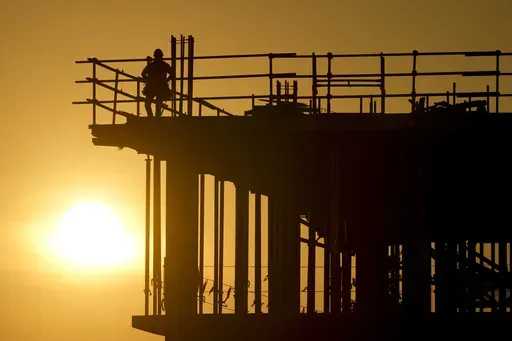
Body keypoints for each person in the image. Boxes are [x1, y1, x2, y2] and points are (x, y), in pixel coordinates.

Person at [141, 49, 173, 117]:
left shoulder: (152, 65)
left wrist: (148, 80)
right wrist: (166, 80)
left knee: (149, 104)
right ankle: (154, 118)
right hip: (158, 87)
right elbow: (172, 74)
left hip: (154, 87)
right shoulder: (164, 65)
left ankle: (152, 118)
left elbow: (143, 73)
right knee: (155, 105)